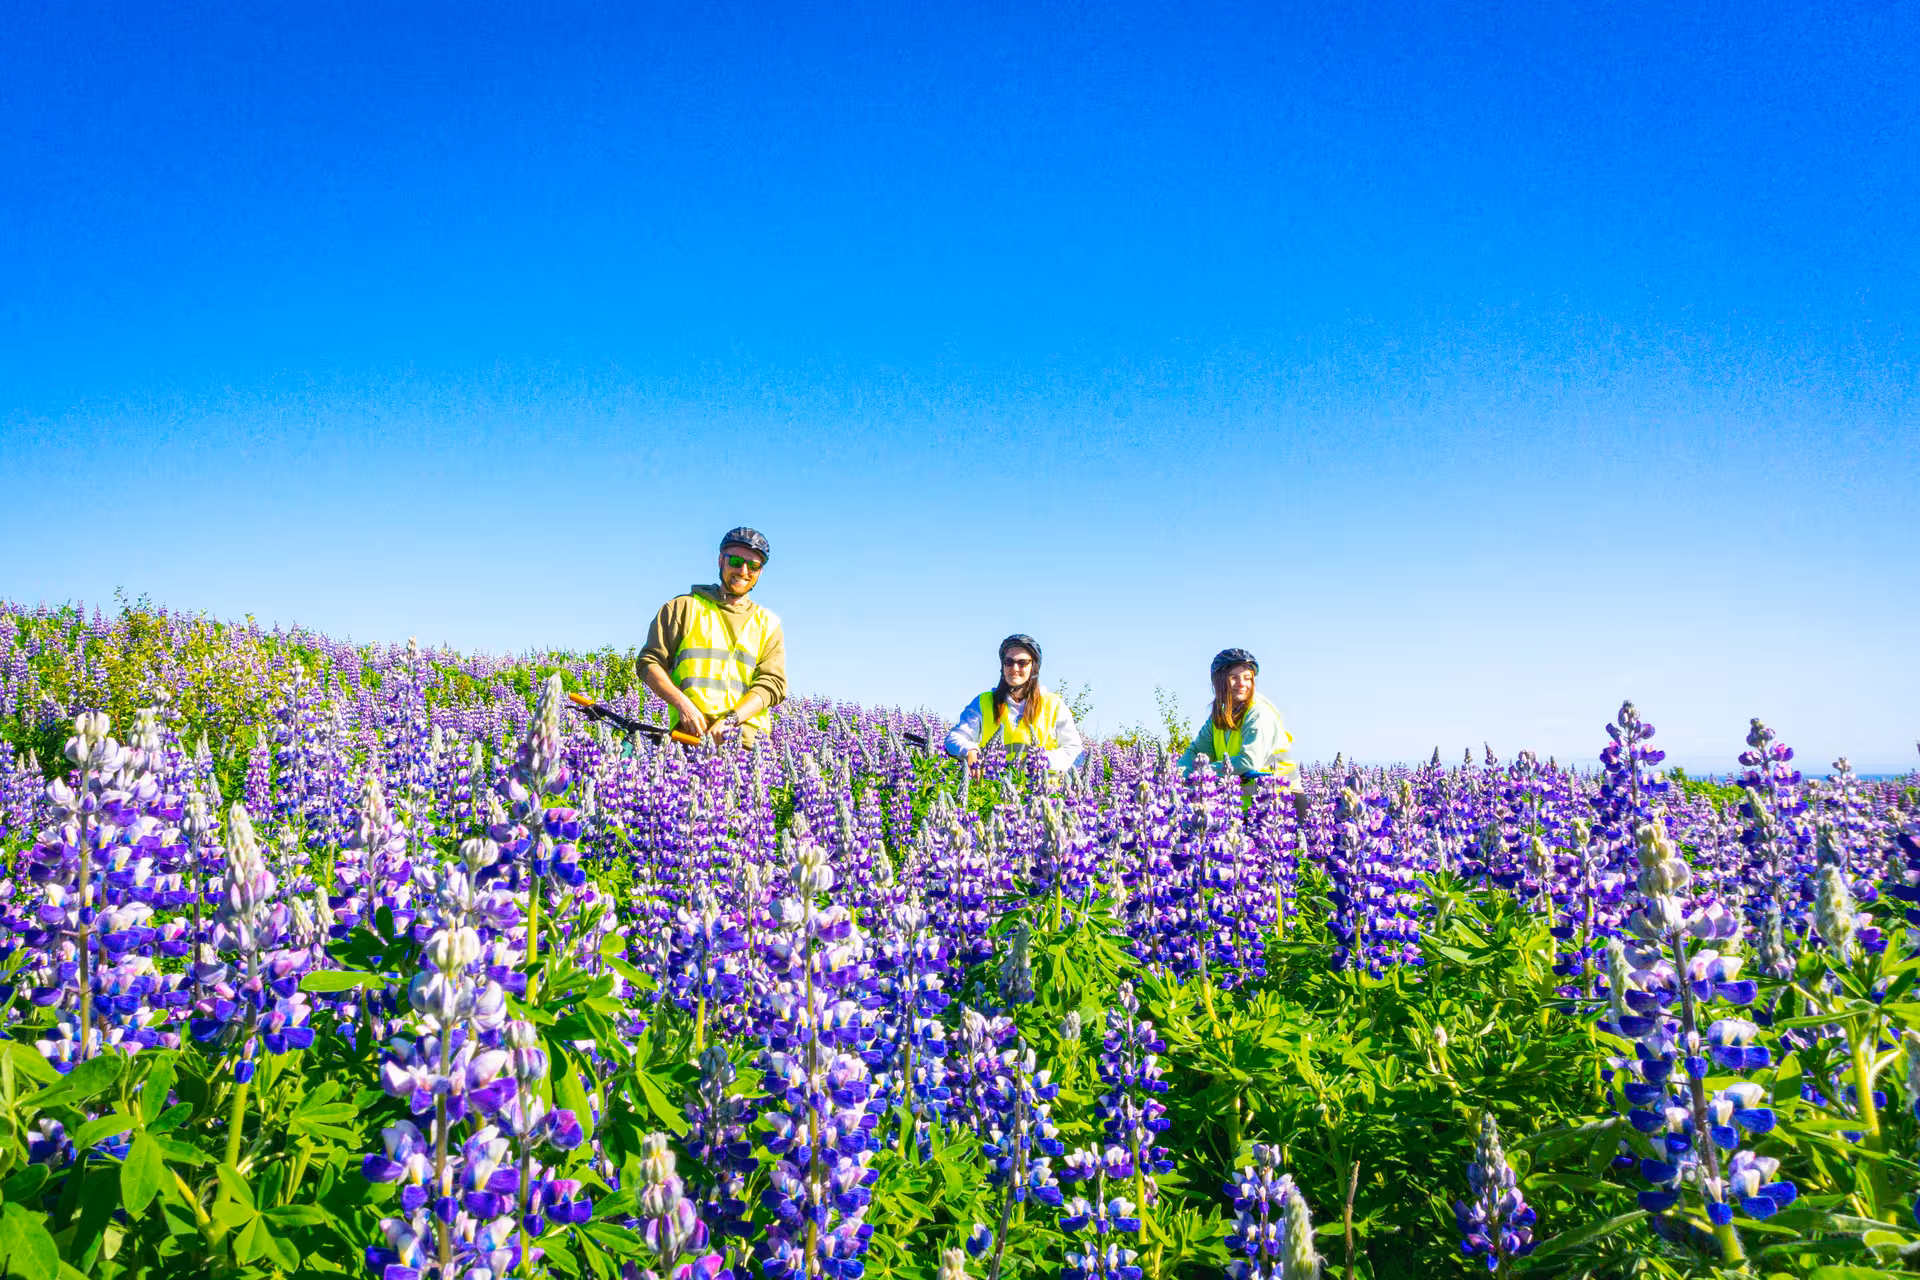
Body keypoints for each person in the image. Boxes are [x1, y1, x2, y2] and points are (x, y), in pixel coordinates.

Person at [637, 527, 787, 745]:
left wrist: (732, 719)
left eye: (753, 566)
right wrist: (683, 705)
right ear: (720, 561)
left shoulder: (768, 623)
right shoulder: (683, 608)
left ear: (760, 571)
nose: (744, 571)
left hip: (747, 747)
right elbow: (648, 663)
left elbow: (772, 684)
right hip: (689, 737)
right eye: (735, 561)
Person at [944, 634, 1085, 772]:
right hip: (995, 789)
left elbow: (1075, 752)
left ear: (1034, 667)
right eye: (1009, 662)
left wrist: (1043, 760)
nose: (1015, 668)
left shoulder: (1054, 704)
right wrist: (969, 750)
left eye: (1022, 663)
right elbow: (955, 737)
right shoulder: (984, 701)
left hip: (1043, 792)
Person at [1178, 648, 1296, 781]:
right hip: (1243, 799)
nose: (1242, 684)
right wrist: (1175, 774)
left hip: (1281, 795)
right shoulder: (1218, 716)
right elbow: (1196, 753)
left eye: (1247, 678)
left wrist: (1203, 771)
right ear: (1218, 681)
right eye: (1234, 677)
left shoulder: (1258, 712)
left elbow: (1249, 762)